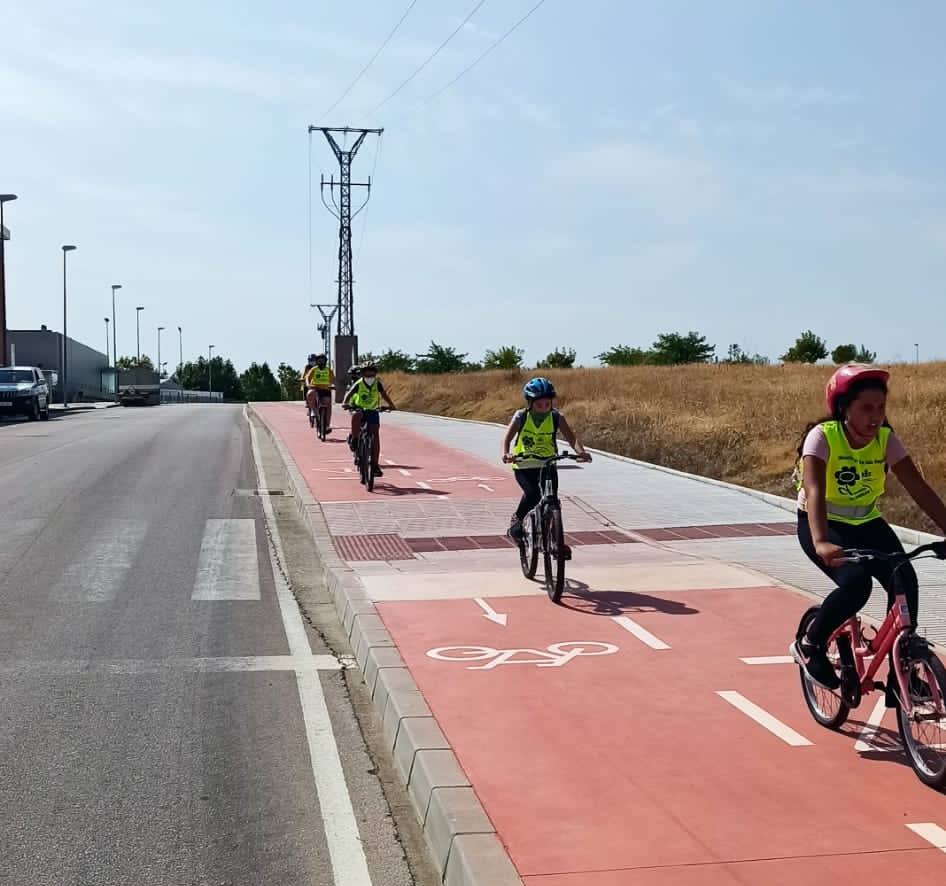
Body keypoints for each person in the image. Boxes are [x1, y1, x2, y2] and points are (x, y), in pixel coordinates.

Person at [790, 363, 946, 698]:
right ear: (844, 408)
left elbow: (917, 487)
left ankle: (899, 674)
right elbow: (815, 491)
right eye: (866, 408)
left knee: (904, 578)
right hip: (824, 523)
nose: (875, 417)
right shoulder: (823, 437)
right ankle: (811, 643)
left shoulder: (885, 440)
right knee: (856, 583)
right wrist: (821, 542)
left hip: (866, 522)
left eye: (880, 408)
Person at [501, 377, 591, 551]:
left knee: (552, 500)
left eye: (547, 404)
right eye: (539, 405)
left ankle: (555, 540)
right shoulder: (521, 416)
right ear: (530, 403)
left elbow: (572, 438)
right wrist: (506, 454)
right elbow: (507, 439)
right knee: (533, 493)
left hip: (548, 464)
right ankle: (517, 519)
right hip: (524, 464)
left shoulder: (557, 417)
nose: (543, 408)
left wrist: (581, 452)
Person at [342, 363, 396, 475]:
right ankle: (355, 439)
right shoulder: (359, 383)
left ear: (375, 372)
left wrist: (391, 405)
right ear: (362, 373)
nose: (369, 374)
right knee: (357, 416)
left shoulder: (377, 384)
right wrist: (345, 403)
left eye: (371, 371)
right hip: (358, 408)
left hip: (372, 410)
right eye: (366, 371)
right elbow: (349, 393)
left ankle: (375, 464)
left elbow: (384, 395)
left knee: (375, 435)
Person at [303, 354, 334, 431]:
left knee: (328, 405)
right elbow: (307, 377)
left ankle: (327, 426)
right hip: (315, 388)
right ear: (317, 361)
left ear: (325, 361)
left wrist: (333, 385)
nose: (321, 362)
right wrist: (308, 384)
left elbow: (333, 379)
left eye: (322, 360)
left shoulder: (329, 370)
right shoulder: (314, 369)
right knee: (310, 394)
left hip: (326, 389)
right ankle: (313, 410)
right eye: (319, 360)